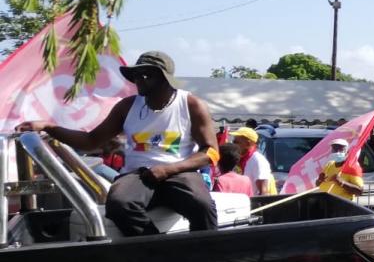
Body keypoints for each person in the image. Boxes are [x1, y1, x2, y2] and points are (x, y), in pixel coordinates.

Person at [17, 51, 218, 236]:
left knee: (201, 205)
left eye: (148, 74)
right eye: (137, 74)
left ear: (165, 78)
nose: (140, 79)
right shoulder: (127, 106)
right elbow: (90, 141)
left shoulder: (190, 104)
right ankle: (155, 251)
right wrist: (48, 127)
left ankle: (206, 255)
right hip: (138, 174)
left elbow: (211, 152)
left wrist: (168, 169)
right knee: (119, 204)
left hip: (179, 172)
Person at [231, 126, 276, 196]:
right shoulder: (239, 159)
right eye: (233, 142)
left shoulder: (258, 161)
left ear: (248, 144)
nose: (233, 145)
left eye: (236, 142)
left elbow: (264, 192)